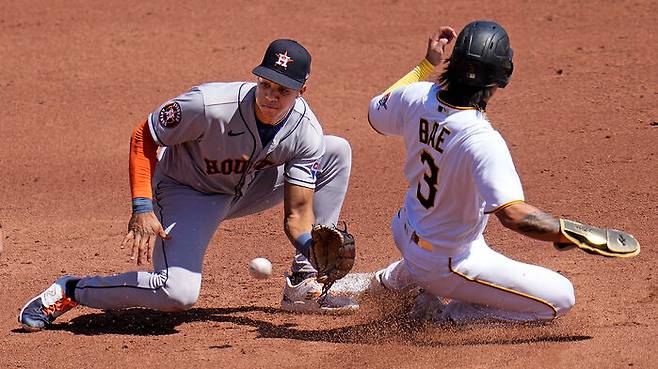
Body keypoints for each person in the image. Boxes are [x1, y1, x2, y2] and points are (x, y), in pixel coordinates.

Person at [19, 39, 356, 331]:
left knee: (335, 150)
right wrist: (142, 206)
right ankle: (72, 290)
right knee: (177, 294)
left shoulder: (305, 130)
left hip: (248, 186)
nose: (270, 96)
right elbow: (144, 136)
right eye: (266, 84)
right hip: (187, 190)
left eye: (283, 90)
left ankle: (303, 281)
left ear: (301, 91)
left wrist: (310, 249)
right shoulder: (209, 105)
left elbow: (297, 213)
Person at [364, 21, 637, 323]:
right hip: (446, 262)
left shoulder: (415, 96)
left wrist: (427, 64)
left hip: (404, 229)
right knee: (560, 298)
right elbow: (514, 216)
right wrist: (572, 233)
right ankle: (444, 315)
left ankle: (402, 277)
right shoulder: (482, 140)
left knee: (461, 226)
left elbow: (375, 110)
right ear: (499, 80)